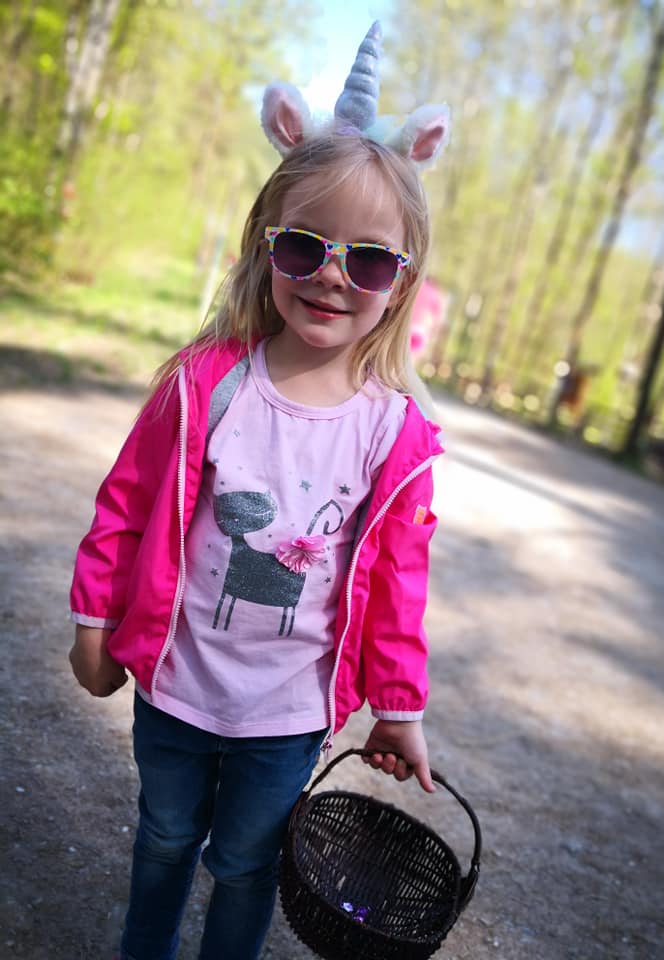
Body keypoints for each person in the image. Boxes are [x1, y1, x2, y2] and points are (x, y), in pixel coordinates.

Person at [68, 21, 450, 960]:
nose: (332, 276)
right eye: (304, 247)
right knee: (164, 839)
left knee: (245, 866)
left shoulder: (392, 431)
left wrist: (399, 705)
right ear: (264, 245)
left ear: (400, 283)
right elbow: (124, 506)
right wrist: (94, 621)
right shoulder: (206, 385)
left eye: (368, 260)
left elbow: (399, 580)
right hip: (176, 685)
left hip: (289, 712)